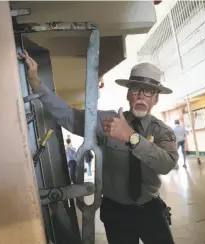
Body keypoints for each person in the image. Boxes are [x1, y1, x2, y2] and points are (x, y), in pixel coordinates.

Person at [19, 50, 178, 244]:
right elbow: (70, 116)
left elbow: (167, 165)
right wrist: (36, 83)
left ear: (155, 99)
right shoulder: (108, 121)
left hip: (150, 210)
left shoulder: (162, 132)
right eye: (136, 89)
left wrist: (131, 137)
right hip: (116, 212)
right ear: (128, 94)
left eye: (149, 91)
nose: (141, 96)